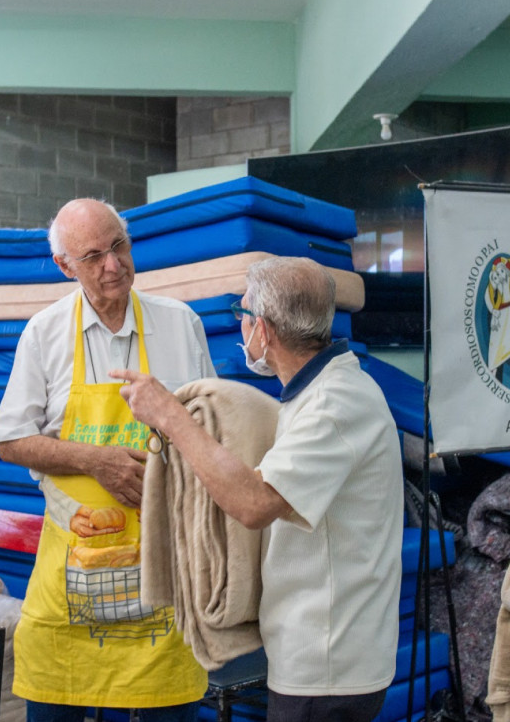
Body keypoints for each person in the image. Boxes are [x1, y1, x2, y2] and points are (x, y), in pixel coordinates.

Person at [115, 256, 404, 722]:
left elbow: (253, 502)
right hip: (320, 653)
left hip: (327, 665)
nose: (241, 324)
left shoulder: (333, 404)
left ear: (263, 331)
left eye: (242, 313)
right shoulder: (316, 393)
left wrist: (170, 415)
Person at [0, 198, 216, 722]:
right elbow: (10, 441)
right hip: (72, 569)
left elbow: (213, 434)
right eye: (92, 256)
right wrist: (96, 461)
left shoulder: (180, 325)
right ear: (64, 266)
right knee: (53, 698)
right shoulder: (44, 334)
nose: (112, 265)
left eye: (118, 246)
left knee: (170, 707)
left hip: (166, 569)